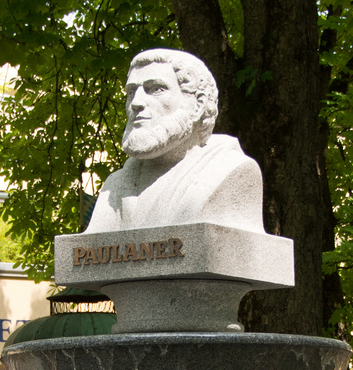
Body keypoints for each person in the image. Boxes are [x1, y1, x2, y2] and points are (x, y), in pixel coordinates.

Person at [85, 49, 265, 235]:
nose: (135, 103)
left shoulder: (230, 170)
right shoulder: (114, 187)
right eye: (131, 92)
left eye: (156, 89)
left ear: (198, 104)